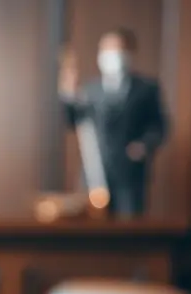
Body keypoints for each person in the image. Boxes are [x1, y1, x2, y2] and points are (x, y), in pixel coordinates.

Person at [60, 27, 168, 217]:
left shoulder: (146, 89)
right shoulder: (89, 89)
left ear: (130, 52)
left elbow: (159, 126)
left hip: (129, 173)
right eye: (106, 49)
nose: (111, 55)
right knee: (92, 230)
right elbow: (73, 119)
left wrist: (143, 145)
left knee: (129, 228)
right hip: (95, 172)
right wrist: (67, 94)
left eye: (117, 49)